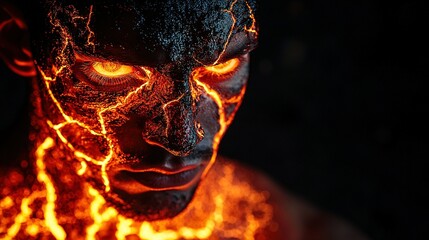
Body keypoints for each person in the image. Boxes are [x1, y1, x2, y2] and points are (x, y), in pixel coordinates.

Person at [0, 0, 370, 239]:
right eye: (111, 69)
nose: (181, 136)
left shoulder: (268, 224)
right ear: (21, 44)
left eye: (221, 64)